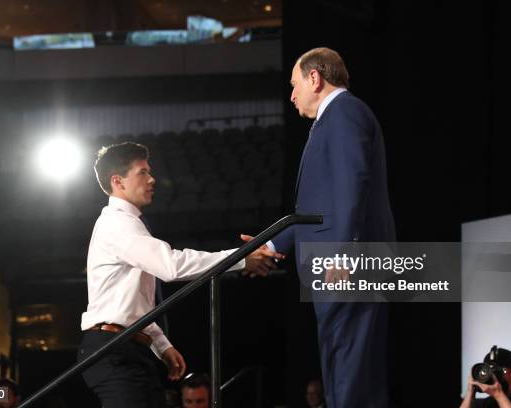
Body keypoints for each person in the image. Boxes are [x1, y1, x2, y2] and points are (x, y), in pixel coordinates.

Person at [78, 142, 282, 408]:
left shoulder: (129, 225)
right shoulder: (117, 223)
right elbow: (171, 266)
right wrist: (241, 258)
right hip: (113, 350)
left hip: (127, 348)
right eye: (142, 172)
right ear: (118, 181)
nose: (152, 179)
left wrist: (162, 345)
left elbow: (134, 304)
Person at [269, 47, 396, 408]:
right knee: (345, 372)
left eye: (294, 85)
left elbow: (352, 187)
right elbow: (318, 208)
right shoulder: (333, 119)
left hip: (346, 267)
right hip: (340, 266)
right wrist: (273, 245)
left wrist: (343, 255)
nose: (291, 96)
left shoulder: (343, 113)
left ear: (315, 78)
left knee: (350, 376)